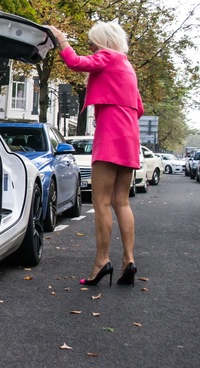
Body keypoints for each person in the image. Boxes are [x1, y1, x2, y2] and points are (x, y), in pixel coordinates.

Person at [48, 22, 144, 287]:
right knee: (121, 202)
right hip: (130, 134)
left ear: (103, 42)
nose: (90, 47)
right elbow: (139, 107)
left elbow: (76, 62)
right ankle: (129, 260)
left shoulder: (108, 57)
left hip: (111, 131)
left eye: (92, 42)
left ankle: (102, 261)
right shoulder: (127, 65)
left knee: (101, 201)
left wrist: (61, 40)